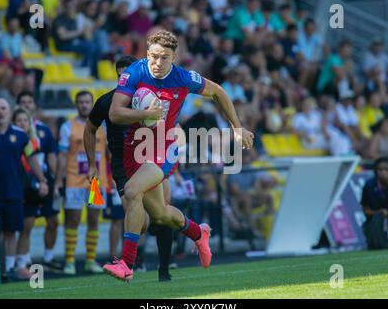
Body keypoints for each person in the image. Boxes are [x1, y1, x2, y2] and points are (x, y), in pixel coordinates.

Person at [103, 30, 254, 282]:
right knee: (160, 214)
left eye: (164, 58)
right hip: (135, 147)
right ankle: (198, 233)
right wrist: (143, 114)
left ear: (174, 57)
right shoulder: (134, 73)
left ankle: (127, 264)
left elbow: (218, 91)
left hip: (164, 147)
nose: (157, 63)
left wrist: (236, 127)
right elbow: (115, 114)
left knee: (132, 192)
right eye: (153, 56)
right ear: (146, 53)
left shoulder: (183, 78)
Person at [83, 55, 174, 282]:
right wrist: (92, 164)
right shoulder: (106, 102)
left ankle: (164, 270)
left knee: (163, 214)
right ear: (118, 76)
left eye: (129, 74)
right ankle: (148, 229)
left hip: (151, 159)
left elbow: (169, 128)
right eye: (122, 75)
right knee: (142, 224)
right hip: (123, 166)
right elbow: (89, 129)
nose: (126, 78)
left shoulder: (151, 99)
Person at [0, 98, 49, 281]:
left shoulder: (21, 135)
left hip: (14, 191)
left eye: (3, 108)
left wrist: (42, 179)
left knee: (11, 232)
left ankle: (10, 268)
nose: (0, 112)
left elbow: (31, 158)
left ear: (8, 111)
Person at [55, 91, 107, 275]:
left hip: (96, 183)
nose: (84, 105)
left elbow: (108, 153)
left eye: (87, 102)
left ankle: (90, 261)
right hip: (74, 180)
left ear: (92, 104)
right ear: (76, 105)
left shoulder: (102, 125)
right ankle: (69, 261)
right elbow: (62, 155)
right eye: (81, 102)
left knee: (94, 219)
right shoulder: (67, 127)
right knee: (73, 219)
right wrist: (58, 181)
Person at [16, 91, 60, 270]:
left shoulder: (43, 130)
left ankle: (48, 258)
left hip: (43, 180)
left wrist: (54, 182)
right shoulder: (14, 131)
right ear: (18, 105)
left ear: (34, 105)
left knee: (53, 221)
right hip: (24, 183)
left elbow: (52, 155)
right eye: (23, 102)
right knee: (28, 223)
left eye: (30, 101)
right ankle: (24, 261)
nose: (27, 105)